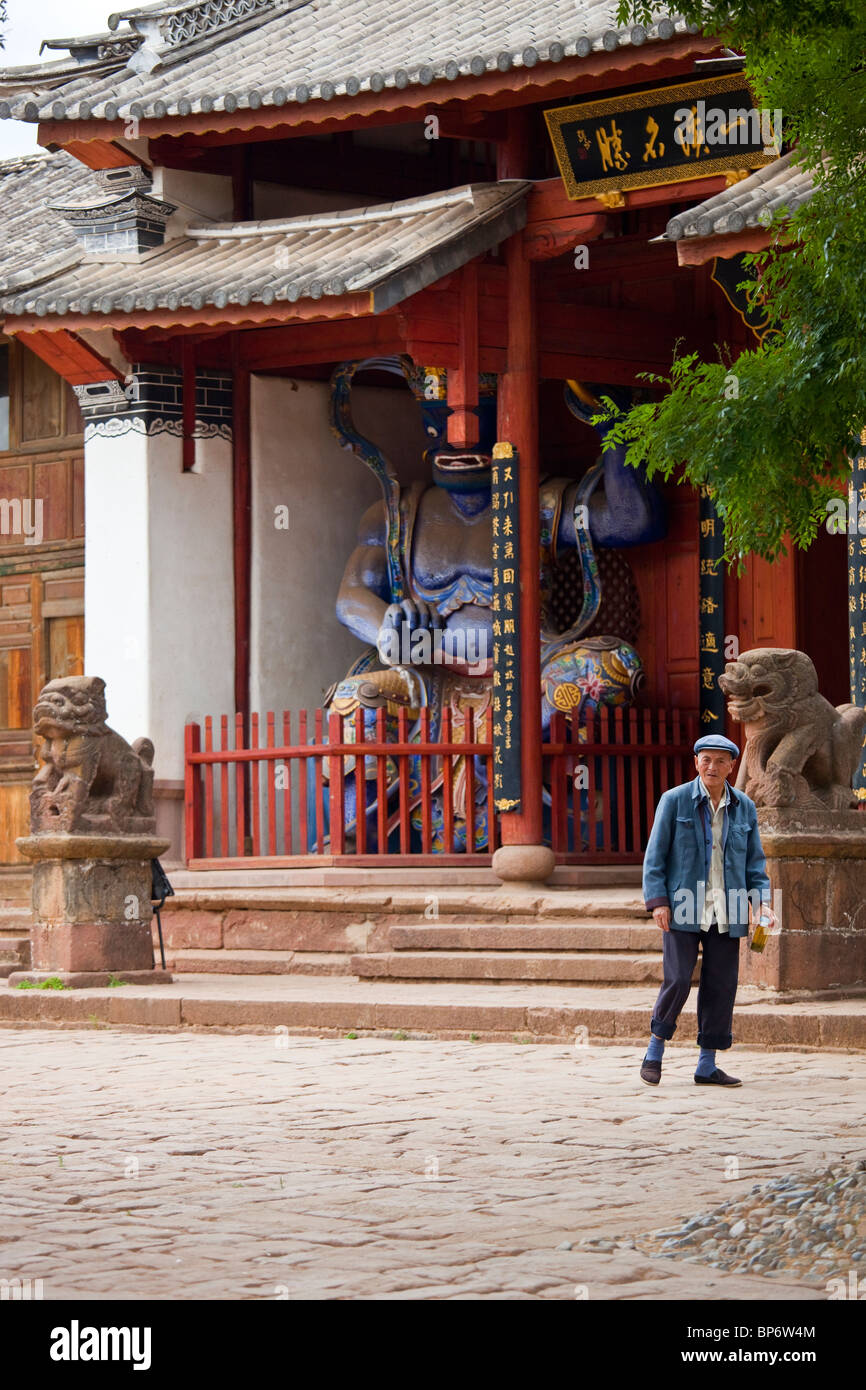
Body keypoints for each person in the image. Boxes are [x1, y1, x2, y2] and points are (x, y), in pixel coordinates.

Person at [640, 734, 774, 1087]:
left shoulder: (744, 806)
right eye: (705, 759)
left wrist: (763, 905)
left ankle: (707, 1064)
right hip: (683, 904)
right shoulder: (675, 801)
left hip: (727, 908)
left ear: (732, 766)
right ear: (696, 762)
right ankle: (655, 1049)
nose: (711, 767)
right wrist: (657, 902)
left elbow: (755, 865)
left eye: (720, 761)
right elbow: (655, 856)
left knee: (720, 984)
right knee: (679, 979)